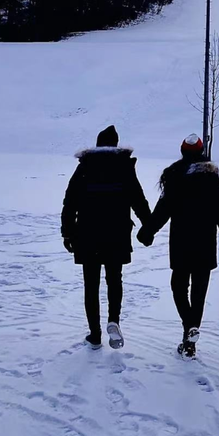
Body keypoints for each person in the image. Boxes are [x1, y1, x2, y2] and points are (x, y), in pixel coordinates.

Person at [137, 134, 219, 359]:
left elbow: (162, 210)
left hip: (182, 244)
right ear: (202, 152)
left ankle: (188, 329)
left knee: (178, 286)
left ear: (182, 152)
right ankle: (190, 336)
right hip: (205, 244)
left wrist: (147, 233)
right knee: (199, 292)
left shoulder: (176, 178)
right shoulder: (212, 180)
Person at [61, 125, 151, 350]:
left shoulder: (85, 167)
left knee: (91, 285)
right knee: (114, 280)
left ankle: (94, 334)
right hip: (117, 234)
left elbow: (70, 201)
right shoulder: (124, 167)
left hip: (87, 234)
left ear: (98, 144)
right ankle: (114, 320)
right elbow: (138, 200)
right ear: (116, 144)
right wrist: (148, 227)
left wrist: (68, 232)